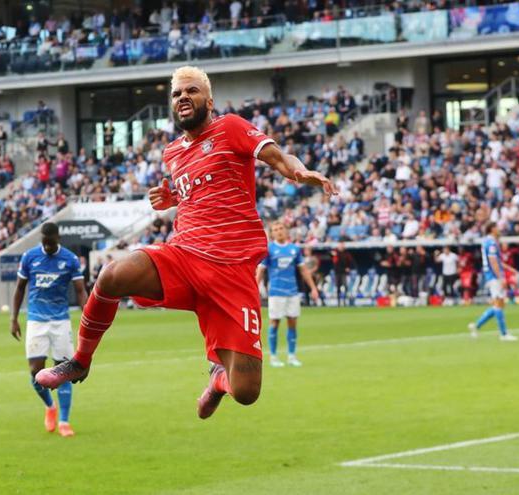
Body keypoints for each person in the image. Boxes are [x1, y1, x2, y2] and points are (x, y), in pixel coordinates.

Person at [34, 66, 335, 420]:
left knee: (246, 392)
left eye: (190, 91)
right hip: (185, 256)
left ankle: (219, 379)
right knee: (113, 274)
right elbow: (200, 190)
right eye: (176, 94)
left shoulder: (231, 127)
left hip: (232, 270)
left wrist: (297, 172)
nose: (182, 98)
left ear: (209, 100)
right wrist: (171, 196)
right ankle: (80, 361)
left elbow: (278, 156)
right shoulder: (173, 153)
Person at [10, 222, 88, 436]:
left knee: (63, 370)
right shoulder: (30, 257)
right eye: (45, 243)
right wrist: (13, 318)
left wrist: (88, 315)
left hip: (60, 321)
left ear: (58, 239)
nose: (48, 247)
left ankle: (64, 420)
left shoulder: (70, 259)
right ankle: (50, 407)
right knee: (36, 372)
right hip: (36, 320)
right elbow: (19, 289)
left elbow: (81, 291)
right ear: (41, 240)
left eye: (51, 243)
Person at [256, 221, 319, 368]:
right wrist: (253, 289)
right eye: (275, 229)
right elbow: (261, 271)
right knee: (274, 323)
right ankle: (273, 356)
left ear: (286, 231)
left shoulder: (294, 249)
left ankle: (291, 356)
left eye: (281, 228)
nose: (279, 231)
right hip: (276, 292)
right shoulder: (269, 250)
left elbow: (303, 270)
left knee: (292, 323)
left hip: (292, 292)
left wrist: (313, 288)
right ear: (272, 233)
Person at [468, 223, 518, 341]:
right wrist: (501, 278)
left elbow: (497, 261)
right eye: (497, 227)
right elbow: (493, 261)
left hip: (491, 275)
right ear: (492, 229)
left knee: (499, 304)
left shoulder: (487, 241)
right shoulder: (491, 243)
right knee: (498, 304)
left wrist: (510, 269)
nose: (499, 229)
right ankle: (503, 334)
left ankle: (476, 326)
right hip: (493, 276)